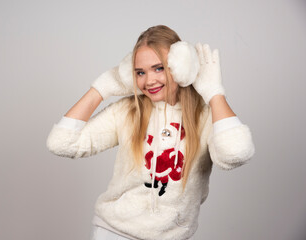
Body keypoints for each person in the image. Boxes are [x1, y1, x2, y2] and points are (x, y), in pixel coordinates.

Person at [46, 25, 255, 240]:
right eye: (140, 73)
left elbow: (235, 154)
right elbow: (61, 142)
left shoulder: (206, 117)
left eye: (159, 68)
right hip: (114, 233)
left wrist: (214, 93)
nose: (149, 81)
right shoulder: (128, 111)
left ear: (182, 67)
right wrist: (102, 88)